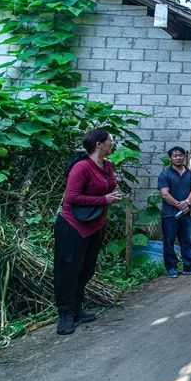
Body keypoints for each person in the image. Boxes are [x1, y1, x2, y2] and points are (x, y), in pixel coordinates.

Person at [55, 128, 122, 335]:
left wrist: (110, 196)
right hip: (73, 225)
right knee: (68, 270)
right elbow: (71, 198)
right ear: (99, 144)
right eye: (110, 140)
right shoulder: (81, 167)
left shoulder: (107, 165)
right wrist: (104, 200)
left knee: (86, 269)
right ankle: (65, 314)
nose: (113, 144)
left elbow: (108, 187)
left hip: (96, 224)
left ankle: (77, 308)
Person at [158, 146, 191, 278]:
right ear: (171, 158)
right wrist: (179, 204)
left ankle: (189, 266)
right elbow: (165, 194)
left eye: (180, 155)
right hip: (169, 214)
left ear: (184, 156)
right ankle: (171, 268)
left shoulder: (189, 174)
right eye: (175, 155)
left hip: (185, 214)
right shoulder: (165, 174)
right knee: (169, 241)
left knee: (187, 240)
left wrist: (187, 202)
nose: (178, 158)